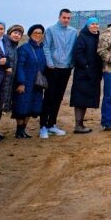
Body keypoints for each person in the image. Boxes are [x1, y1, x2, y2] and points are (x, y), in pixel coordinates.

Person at [40, 9, 77, 138]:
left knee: (58, 97)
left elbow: (73, 49)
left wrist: (71, 63)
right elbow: (46, 47)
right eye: (64, 17)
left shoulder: (73, 32)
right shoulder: (50, 30)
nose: (66, 20)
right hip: (53, 68)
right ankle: (43, 126)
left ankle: (52, 124)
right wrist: (50, 63)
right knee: (49, 96)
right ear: (59, 17)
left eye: (68, 18)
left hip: (66, 69)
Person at [69, 17, 103, 134]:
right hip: (83, 73)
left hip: (94, 73)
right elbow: (78, 52)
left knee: (86, 99)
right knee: (80, 99)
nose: (94, 26)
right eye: (92, 24)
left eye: (96, 24)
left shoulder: (98, 37)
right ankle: (78, 125)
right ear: (87, 25)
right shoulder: (82, 37)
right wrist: (86, 65)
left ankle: (81, 123)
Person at [12, 24, 46, 139]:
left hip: (37, 83)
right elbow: (19, 67)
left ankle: (23, 130)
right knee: (21, 106)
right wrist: (21, 82)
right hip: (25, 82)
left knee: (32, 106)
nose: (37, 35)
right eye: (35, 33)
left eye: (40, 33)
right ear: (30, 34)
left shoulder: (42, 48)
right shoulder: (24, 48)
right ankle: (19, 130)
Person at [0, 24, 23, 140]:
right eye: (15, 32)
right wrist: (5, 68)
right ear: (9, 33)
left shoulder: (14, 47)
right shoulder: (3, 44)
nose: (17, 35)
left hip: (7, 84)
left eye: (19, 34)